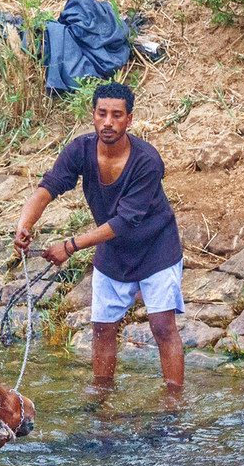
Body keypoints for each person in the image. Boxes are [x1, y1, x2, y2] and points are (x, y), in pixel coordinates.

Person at [14, 82, 185, 390]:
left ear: (129, 119)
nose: (108, 122)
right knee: (103, 330)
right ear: (92, 115)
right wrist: (24, 225)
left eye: (117, 115)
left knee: (162, 327)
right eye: (102, 113)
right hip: (113, 251)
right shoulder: (80, 150)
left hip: (156, 249)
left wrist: (70, 246)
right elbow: (46, 189)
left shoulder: (147, 161)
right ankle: (101, 401)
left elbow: (124, 221)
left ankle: (173, 405)